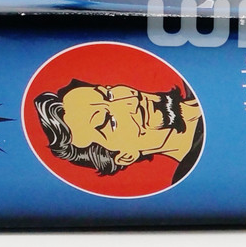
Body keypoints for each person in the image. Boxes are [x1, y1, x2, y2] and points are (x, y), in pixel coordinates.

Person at [33, 79, 204, 184]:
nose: (130, 101)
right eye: (109, 120)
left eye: (108, 94)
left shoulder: (198, 72)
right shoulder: (197, 178)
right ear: (126, 156)